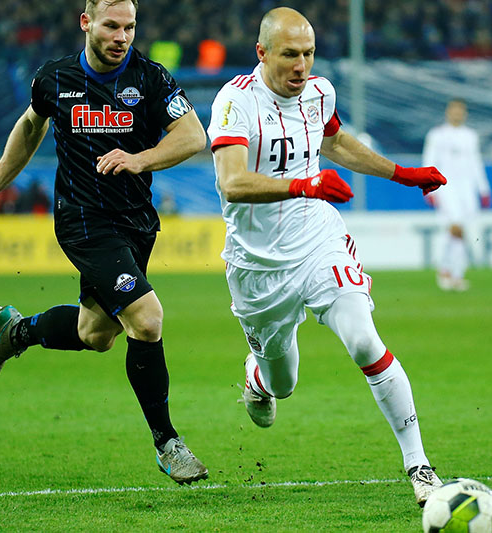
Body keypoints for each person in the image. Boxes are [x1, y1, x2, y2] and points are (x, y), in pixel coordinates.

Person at [0, 0, 208, 485]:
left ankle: (19, 332)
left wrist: (140, 159)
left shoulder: (151, 78)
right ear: (86, 22)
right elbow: (31, 125)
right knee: (147, 319)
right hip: (83, 221)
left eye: (130, 27)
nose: (122, 37)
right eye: (112, 26)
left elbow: (193, 136)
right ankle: (167, 442)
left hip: (136, 223)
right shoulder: (54, 78)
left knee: (96, 334)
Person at [207, 7, 447, 507]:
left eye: (309, 54)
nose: (301, 66)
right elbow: (231, 182)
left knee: (363, 340)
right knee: (283, 383)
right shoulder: (235, 101)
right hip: (256, 266)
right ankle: (258, 376)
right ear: (262, 53)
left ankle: (420, 466)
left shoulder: (320, 93)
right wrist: (304, 184)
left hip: (318, 239)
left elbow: (334, 141)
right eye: (289, 55)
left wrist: (401, 174)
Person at [422, 98, 491, 291]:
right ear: (448, 112)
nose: (457, 114)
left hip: (467, 188)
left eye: (460, 111)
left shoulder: (470, 136)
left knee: (463, 229)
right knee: (454, 226)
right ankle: (445, 270)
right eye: (454, 110)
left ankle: (457, 274)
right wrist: (427, 187)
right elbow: (429, 160)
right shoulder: (437, 135)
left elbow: (476, 163)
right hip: (446, 186)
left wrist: (483, 189)